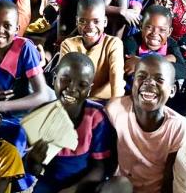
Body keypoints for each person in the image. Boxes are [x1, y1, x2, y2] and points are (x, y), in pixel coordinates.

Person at [27, 52, 126, 193]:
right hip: (51, 183)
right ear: (54, 79)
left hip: (85, 183)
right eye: (65, 79)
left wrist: (73, 190)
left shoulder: (95, 117)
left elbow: (100, 167)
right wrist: (35, 162)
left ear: (89, 90)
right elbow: (36, 171)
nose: (72, 88)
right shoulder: (41, 116)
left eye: (82, 84)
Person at [106, 55, 186, 193]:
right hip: (122, 188)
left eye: (159, 79)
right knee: (119, 184)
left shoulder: (178, 127)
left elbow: (172, 179)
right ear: (133, 82)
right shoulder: (115, 109)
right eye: (141, 76)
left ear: (172, 91)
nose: (149, 83)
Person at [59, 0, 125, 100]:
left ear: (105, 22)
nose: (90, 27)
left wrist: (116, 105)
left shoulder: (113, 44)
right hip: (76, 101)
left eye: (96, 21)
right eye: (83, 21)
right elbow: (65, 81)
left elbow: (116, 78)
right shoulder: (68, 45)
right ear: (76, 21)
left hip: (106, 101)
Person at [123, 4, 186, 82]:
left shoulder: (171, 44)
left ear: (169, 32)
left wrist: (142, 63)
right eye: (149, 27)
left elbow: (182, 71)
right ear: (141, 26)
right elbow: (130, 66)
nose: (154, 33)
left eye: (162, 30)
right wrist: (165, 60)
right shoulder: (131, 41)